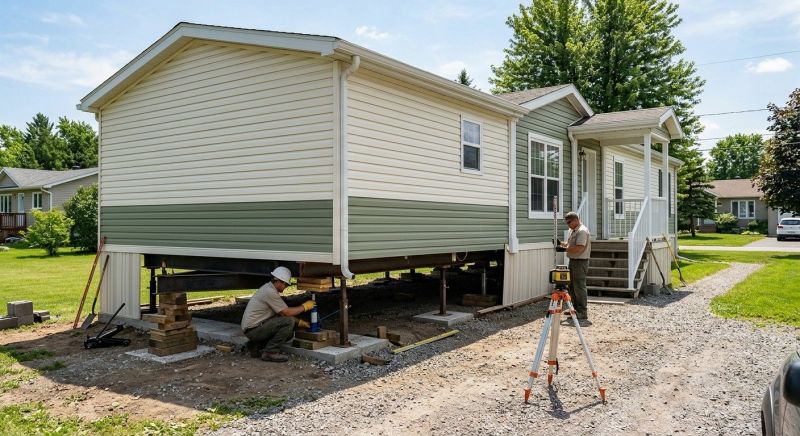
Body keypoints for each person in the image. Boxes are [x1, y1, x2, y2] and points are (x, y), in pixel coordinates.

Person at [241, 266, 315, 362]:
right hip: (253, 330)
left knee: (288, 333)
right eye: (286, 285)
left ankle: (254, 346)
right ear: (279, 281)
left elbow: (282, 313)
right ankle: (270, 353)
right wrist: (304, 307)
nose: (286, 287)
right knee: (289, 322)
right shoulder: (269, 292)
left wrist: (300, 322)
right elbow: (287, 312)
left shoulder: (269, 288)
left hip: (253, 328)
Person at [560, 211, 591, 321]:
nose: (568, 225)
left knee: (579, 287)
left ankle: (582, 312)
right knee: (572, 286)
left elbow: (579, 248)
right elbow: (572, 245)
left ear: (575, 220)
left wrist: (565, 249)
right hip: (573, 260)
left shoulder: (582, 231)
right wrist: (563, 244)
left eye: (569, 222)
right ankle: (574, 309)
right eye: (567, 223)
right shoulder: (573, 230)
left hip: (580, 261)